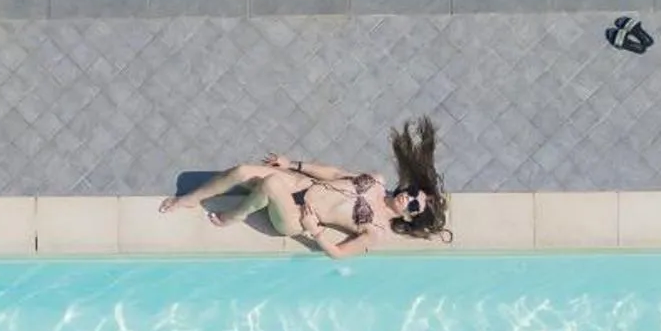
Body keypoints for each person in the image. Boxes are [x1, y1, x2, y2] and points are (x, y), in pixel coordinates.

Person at [159, 118, 452, 258]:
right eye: (414, 192)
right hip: (303, 184)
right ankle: (189, 198)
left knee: (271, 184)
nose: (409, 197)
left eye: (414, 204)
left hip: (297, 215)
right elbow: (335, 172)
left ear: (411, 217)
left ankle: (234, 214)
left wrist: (315, 230)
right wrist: (293, 163)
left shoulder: (376, 230)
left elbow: (338, 252)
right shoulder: (377, 180)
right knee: (242, 171)